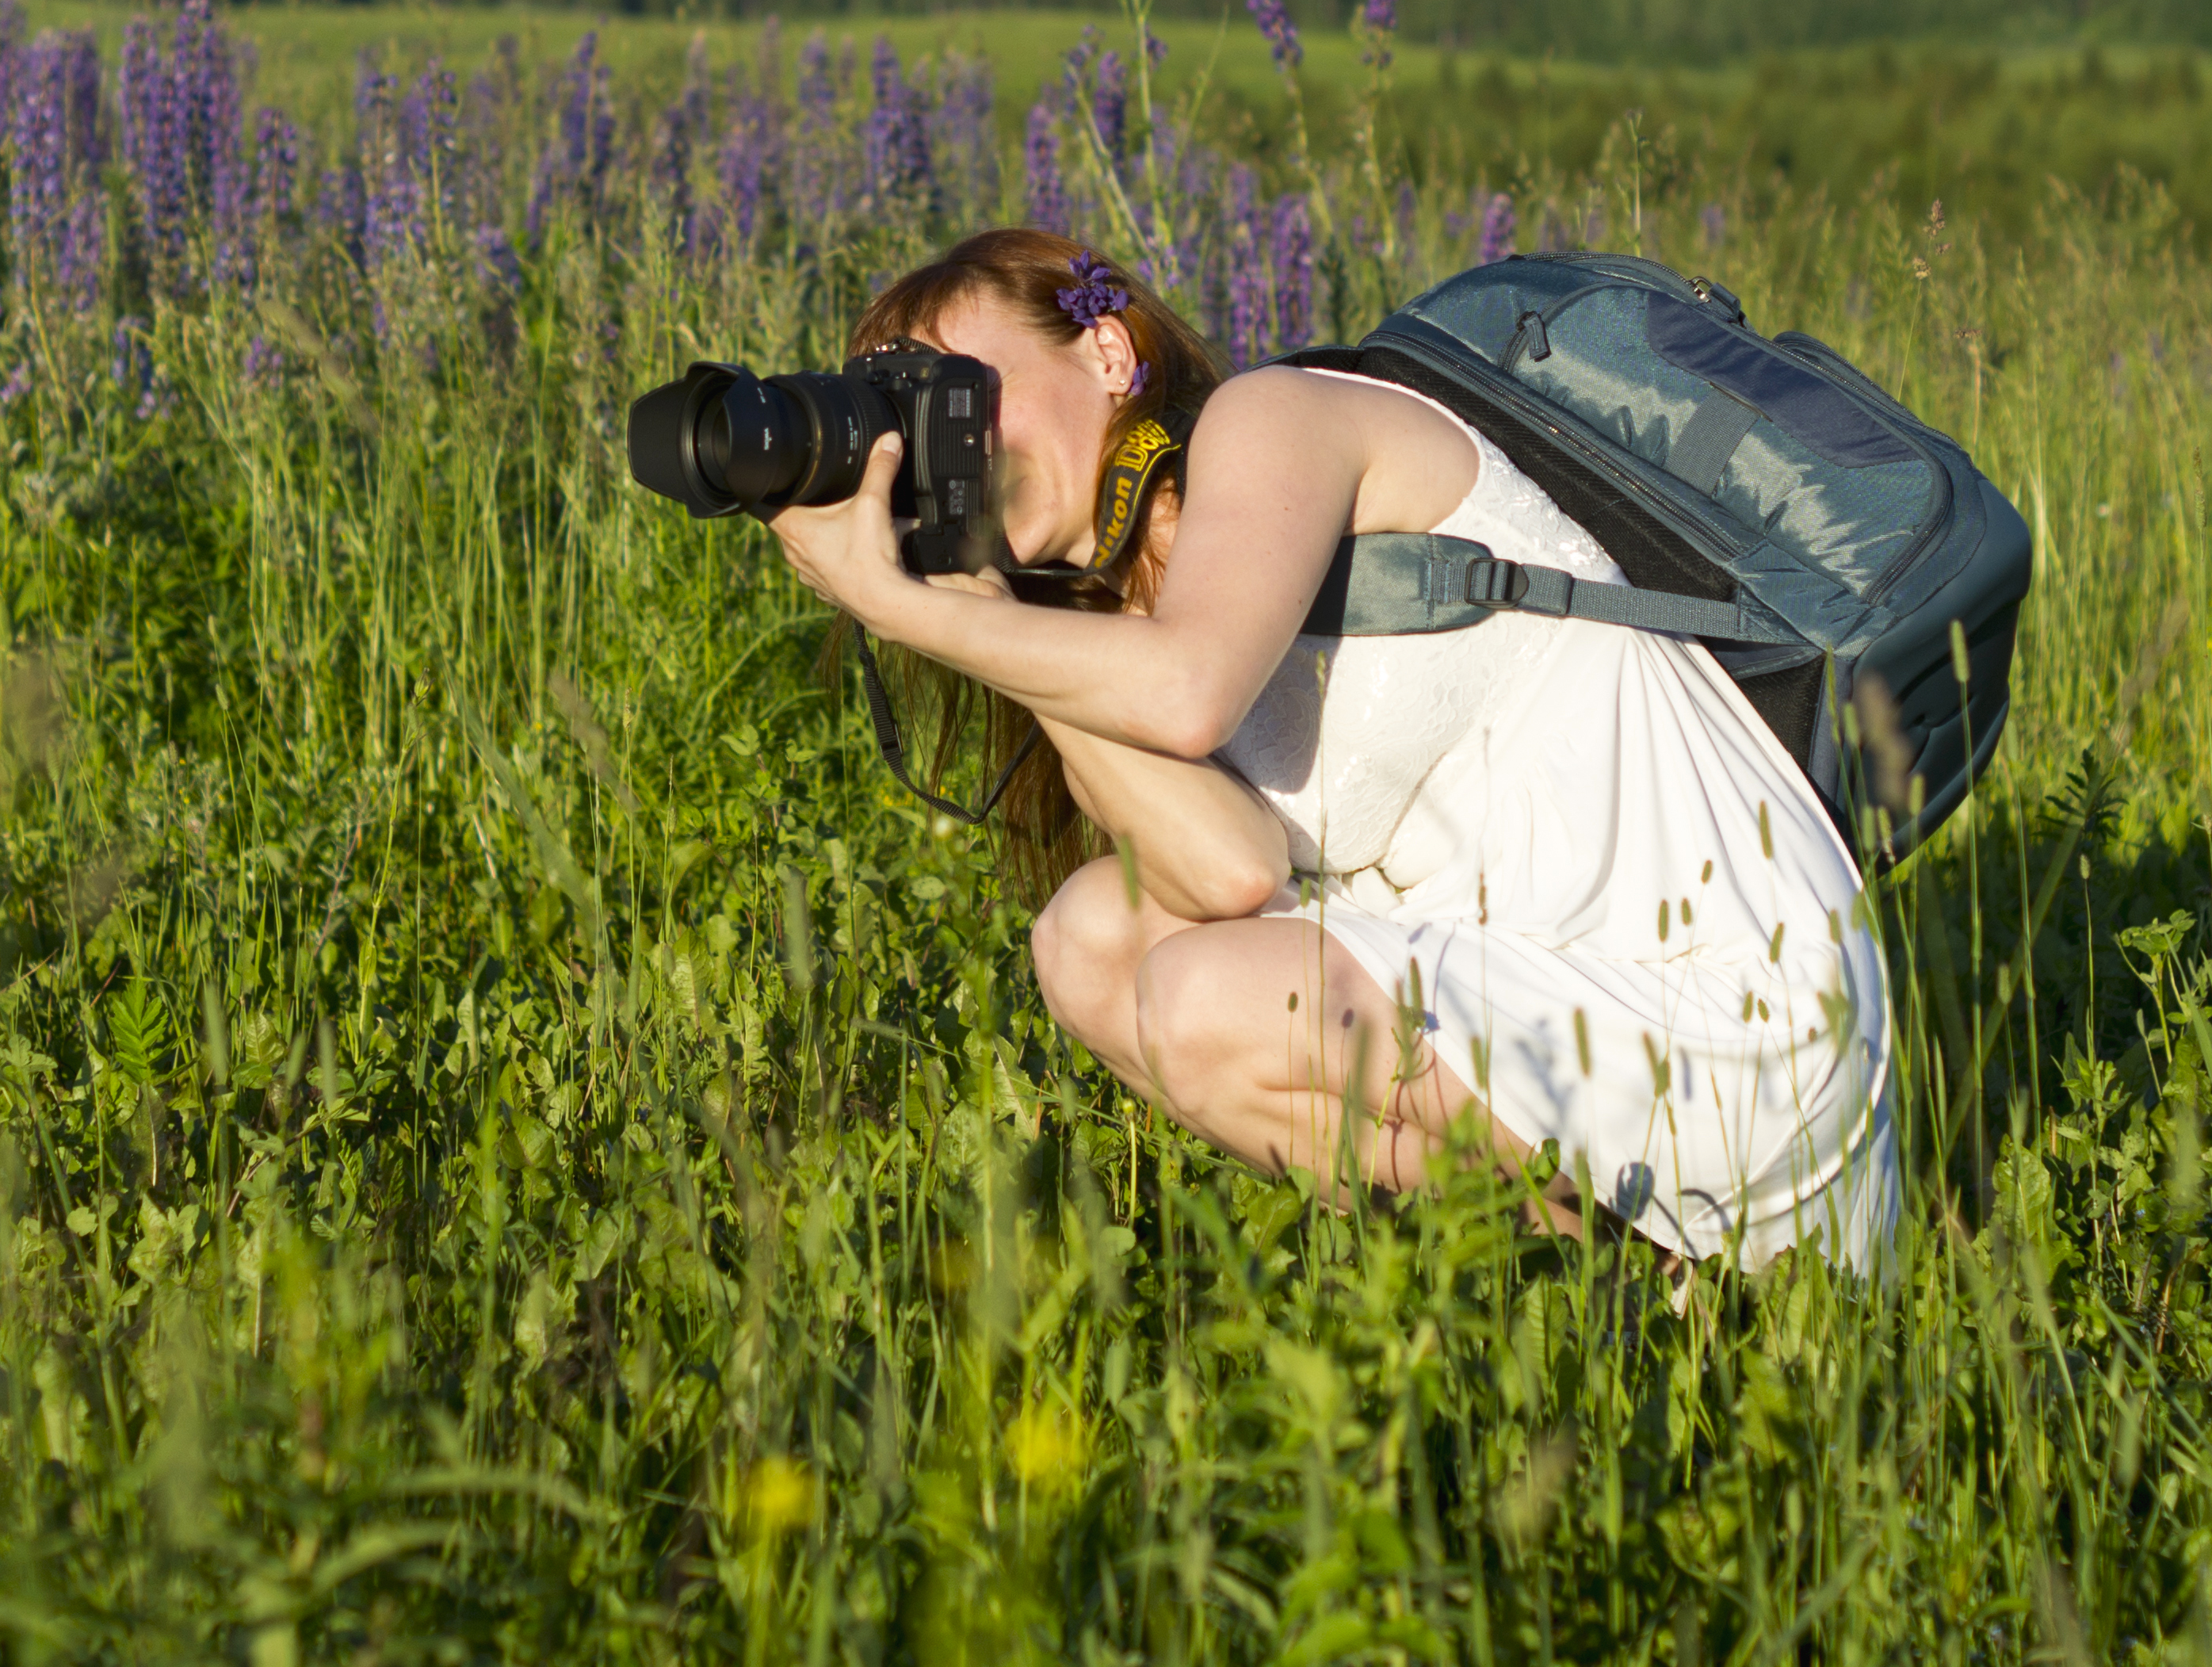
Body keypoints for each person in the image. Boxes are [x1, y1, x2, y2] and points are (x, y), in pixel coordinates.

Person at [770, 227, 1897, 1271]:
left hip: (1729, 1009)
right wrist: (975, 597)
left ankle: (1622, 1264)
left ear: (1107, 352)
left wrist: (904, 609)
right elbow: (1228, 870)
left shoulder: (1274, 421)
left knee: (1203, 993)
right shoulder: (1108, 624)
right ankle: (1578, 1272)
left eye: (957, 397)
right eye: (907, 419)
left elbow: (1190, 694)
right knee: (1089, 942)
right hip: (1546, 1008)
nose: (946, 444)